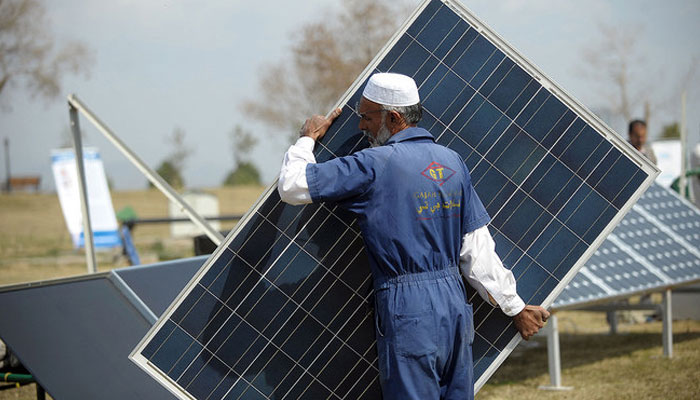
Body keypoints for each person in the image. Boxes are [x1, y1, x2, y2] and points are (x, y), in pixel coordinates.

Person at [278, 73, 549, 400]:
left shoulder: (374, 163)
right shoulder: (453, 162)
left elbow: (292, 186)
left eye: (366, 116)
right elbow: (476, 251)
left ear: (392, 117)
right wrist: (515, 307)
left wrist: (307, 139)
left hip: (408, 309)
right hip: (454, 306)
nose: (361, 126)